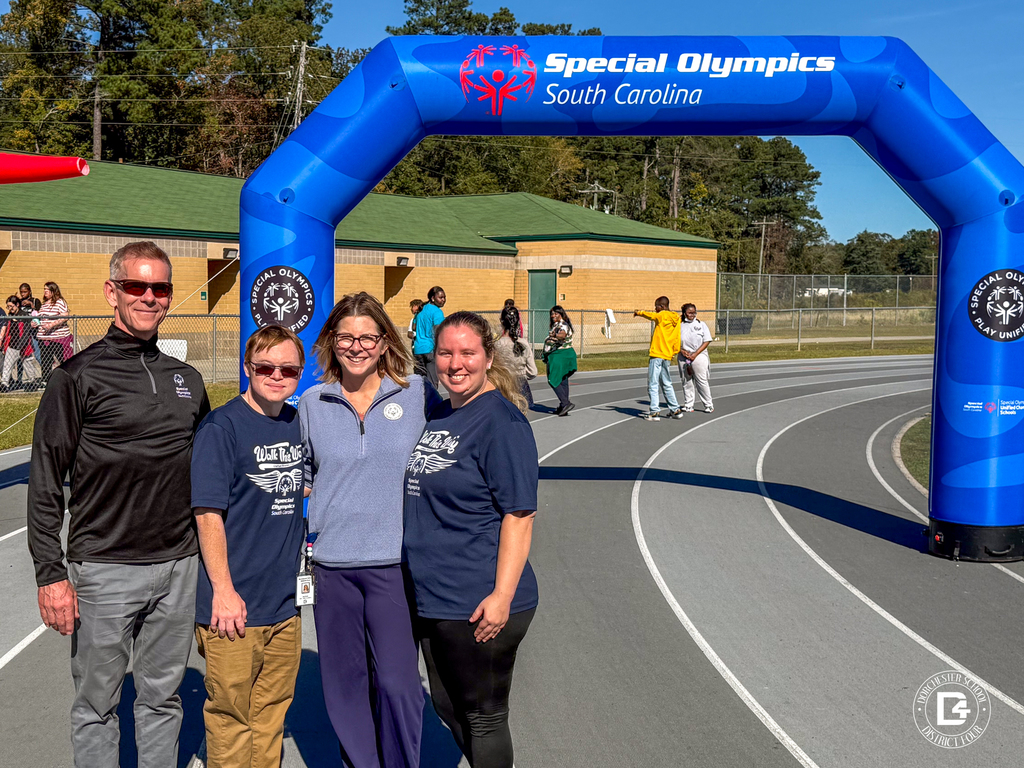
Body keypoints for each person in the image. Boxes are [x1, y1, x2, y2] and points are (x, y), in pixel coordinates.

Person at [27, 241, 210, 767]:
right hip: (104, 569)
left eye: (161, 288)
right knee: (96, 707)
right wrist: (49, 574)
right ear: (112, 291)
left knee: (161, 700)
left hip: (177, 566)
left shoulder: (188, 380)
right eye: (137, 286)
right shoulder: (76, 377)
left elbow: (210, 470)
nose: (150, 297)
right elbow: (45, 481)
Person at [300, 292, 439, 768]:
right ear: (331, 341)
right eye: (345, 337)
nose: (356, 346)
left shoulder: (419, 394)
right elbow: (298, 476)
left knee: (399, 685)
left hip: (395, 565)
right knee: (345, 685)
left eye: (367, 337)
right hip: (332, 567)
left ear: (384, 342)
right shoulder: (312, 403)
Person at [404, 311, 539, 768]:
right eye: (445, 353)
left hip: (481, 597)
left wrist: (501, 595)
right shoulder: (442, 412)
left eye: (467, 353)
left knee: (483, 717)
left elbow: (519, 516)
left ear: (487, 357)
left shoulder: (501, 422)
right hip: (435, 596)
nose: (455, 363)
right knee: (446, 704)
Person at [191, 324, 305, 768]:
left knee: (270, 716)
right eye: (265, 367)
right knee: (231, 718)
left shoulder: (296, 424)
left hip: (284, 605)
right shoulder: (222, 428)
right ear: (247, 368)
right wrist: (223, 589)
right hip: (233, 606)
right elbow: (207, 515)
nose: (277, 376)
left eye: (288, 369)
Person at [634, 297, 683, 421]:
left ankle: (654, 411)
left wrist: (639, 312)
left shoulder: (662, 315)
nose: (655, 309)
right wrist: (674, 351)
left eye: (656, 306)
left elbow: (650, 315)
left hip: (657, 355)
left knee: (653, 383)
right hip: (667, 355)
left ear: (662, 306)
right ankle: (675, 409)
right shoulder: (676, 318)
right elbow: (677, 337)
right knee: (667, 383)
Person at [495, 305, 536, 408]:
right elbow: (533, 372)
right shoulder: (524, 343)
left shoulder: (497, 345)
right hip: (521, 384)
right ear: (518, 321)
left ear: (502, 321)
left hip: (503, 385)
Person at [678, 303, 715, 413]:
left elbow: (707, 340)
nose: (692, 315)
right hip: (683, 356)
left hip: (699, 355)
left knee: (701, 380)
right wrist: (682, 351)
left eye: (694, 312)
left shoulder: (701, 324)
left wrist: (695, 353)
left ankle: (708, 405)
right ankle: (689, 404)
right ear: (684, 313)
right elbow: (673, 341)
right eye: (689, 313)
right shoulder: (679, 325)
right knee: (686, 380)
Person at [0, 294, 40, 390]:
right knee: (7, 365)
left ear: (17, 304)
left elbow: (26, 332)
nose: (10, 309)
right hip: (12, 344)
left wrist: (21, 346)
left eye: (11, 306)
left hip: (24, 345)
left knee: (27, 363)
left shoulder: (24, 315)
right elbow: (9, 331)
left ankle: (32, 381)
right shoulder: (10, 315)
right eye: (8, 307)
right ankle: (5, 383)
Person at [543, 305, 577, 416]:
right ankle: (564, 406)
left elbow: (562, 334)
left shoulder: (562, 325)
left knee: (553, 379)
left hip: (560, 355)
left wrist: (556, 335)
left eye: (555, 313)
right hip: (564, 355)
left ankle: (565, 403)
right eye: (552, 314)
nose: (553, 315)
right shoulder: (557, 324)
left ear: (561, 314)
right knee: (563, 380)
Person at [37, 281, 73, 379]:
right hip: (44, 338)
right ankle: (46, 380)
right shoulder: (44, 304)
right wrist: (36, 322)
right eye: (44, 289)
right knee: (46, 361)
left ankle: (68, 378)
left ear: (53, 291)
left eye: (47, 289)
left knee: (63, 360)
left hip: (58, 338)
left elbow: (65, 316)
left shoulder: (59, 302)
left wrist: (51, 324)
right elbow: (41, 318)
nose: (45, 291)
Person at [412, 285, 446, 388]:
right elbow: (439, 332)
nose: (443, 300)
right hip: (430, 350)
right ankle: (432, 404)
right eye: (440, 297)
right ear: (432, 298)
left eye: (444, 297)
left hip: (418, 350)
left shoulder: (420, 311)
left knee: (420, 383)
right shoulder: (437, 312)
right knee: (432, 383)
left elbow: (414, 327)